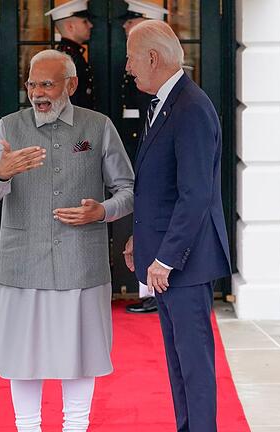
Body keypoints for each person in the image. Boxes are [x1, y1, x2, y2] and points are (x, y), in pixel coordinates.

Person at [0, 49, 134, 432]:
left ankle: (75, 427)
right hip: (22, 263)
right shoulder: (8, 127)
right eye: (31, 84)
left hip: (81, 264)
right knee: (21, 355)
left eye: (46, 83)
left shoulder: (98, 126)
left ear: (71, 85)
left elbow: (127, 189)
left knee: (80, 354)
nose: (37, 92)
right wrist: (0, 172)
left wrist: (103, 211)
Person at [123, 20, 231, 432]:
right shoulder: (169, 102)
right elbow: (160, 189)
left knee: (194, 366)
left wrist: (165, 259)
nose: (129, 67)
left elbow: (195, 194)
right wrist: (140, 238)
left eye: (132, 58)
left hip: (185, 264)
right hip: (170, 259)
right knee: (178, 363)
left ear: (152, 58)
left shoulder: (191, 107)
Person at [118, 0, 169, 315]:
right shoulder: (139, 66)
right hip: (140, 143)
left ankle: (152, 288)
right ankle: (146, 286)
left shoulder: (162, 70)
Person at [46, 0, 96, 109]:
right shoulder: (66, 58)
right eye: (85, 21)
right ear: (70, 26)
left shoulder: (72, 54)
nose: (91, 25)